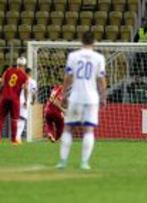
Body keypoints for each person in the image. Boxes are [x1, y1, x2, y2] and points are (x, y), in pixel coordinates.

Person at [56, 31, 107, 170]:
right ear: (94, 42)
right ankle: (84, 163)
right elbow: (101, 79)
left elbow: (67, 77)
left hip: (76, 97)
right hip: (91, 98)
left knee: (68, 128)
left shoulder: (73, 56)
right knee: (89, 130)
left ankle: (63, 161)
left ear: (81, 41)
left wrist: (64, 94)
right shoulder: (99, 58)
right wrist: (103, 96)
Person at [0, 57, 28, 144]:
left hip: (4, 97)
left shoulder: (8, 70)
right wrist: (26, 100)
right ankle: (13, 140)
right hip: (15, 99)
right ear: (24, 65)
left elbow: (2, 83)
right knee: (14, 119)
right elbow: (26, 88)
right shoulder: (24, 76)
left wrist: (2, 92)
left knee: (1, 118)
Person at [16, 67, 37, 143]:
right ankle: (17, 137)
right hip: (25, 100)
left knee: (18, 118)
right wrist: (33, 101)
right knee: (22, 119)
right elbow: (34, 93)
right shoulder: (32, 81)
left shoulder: (20, 80)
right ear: (30, 73)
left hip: (17, 99)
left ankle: (17, 137)